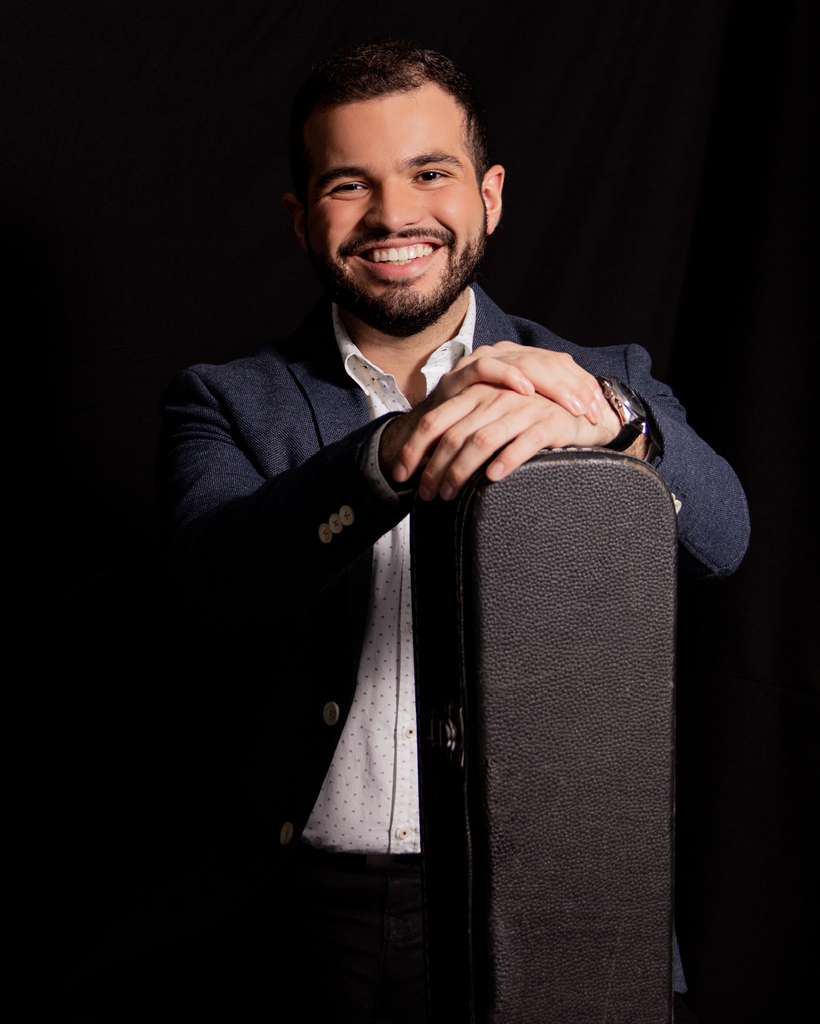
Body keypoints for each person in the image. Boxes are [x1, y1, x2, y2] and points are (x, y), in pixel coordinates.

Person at [158, 39, 748, 1023]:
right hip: (302, 922)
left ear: (490, 196)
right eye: (350, 184)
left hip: (552, 900)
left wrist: (620, 426)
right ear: (303, 218)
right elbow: (212, 584)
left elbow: (723, 540)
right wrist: (391, 451)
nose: (394, 215)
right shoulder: (222, 401)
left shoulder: (604, 380)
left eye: (430, 173)